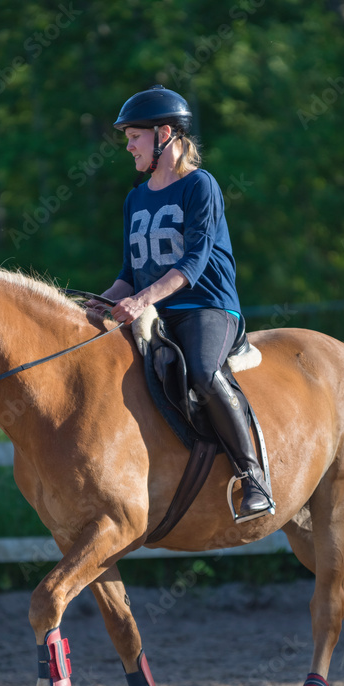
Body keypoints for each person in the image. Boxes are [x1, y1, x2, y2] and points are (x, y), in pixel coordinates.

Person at [90, 84, 272, 519]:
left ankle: (253, 479)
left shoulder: (200, 186)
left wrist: (141, 299)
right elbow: (129, 275)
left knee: (205, 374)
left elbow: (193, 263)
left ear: (165, 134)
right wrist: (96, 302)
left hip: (206, 307)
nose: (128, 145)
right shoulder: (135, 198)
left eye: (134, 135)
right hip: (153, 308)